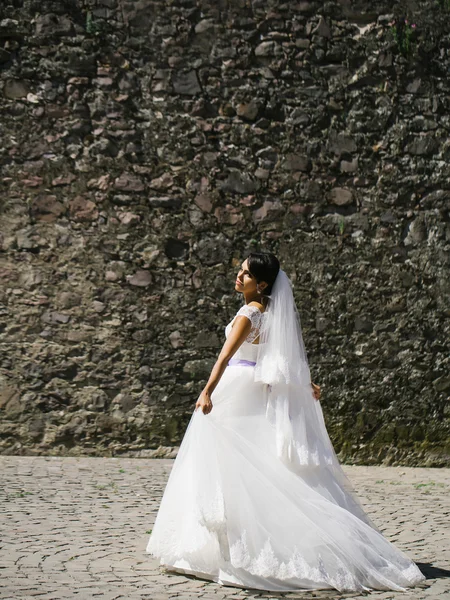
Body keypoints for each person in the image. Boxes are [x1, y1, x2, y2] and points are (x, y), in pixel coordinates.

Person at [146, 251, 426, 593]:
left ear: (262, 284)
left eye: (246, 275)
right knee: (248, 464)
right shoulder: (270, 313)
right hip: (252, 390)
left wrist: (206, 392)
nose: (239, 276)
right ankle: (227, 548)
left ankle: (226, 551)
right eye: (241, 271)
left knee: (224, 464)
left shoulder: (249, 314)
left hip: (234, 390)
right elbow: (281, 356)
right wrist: (305, 384)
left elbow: (225, 356)